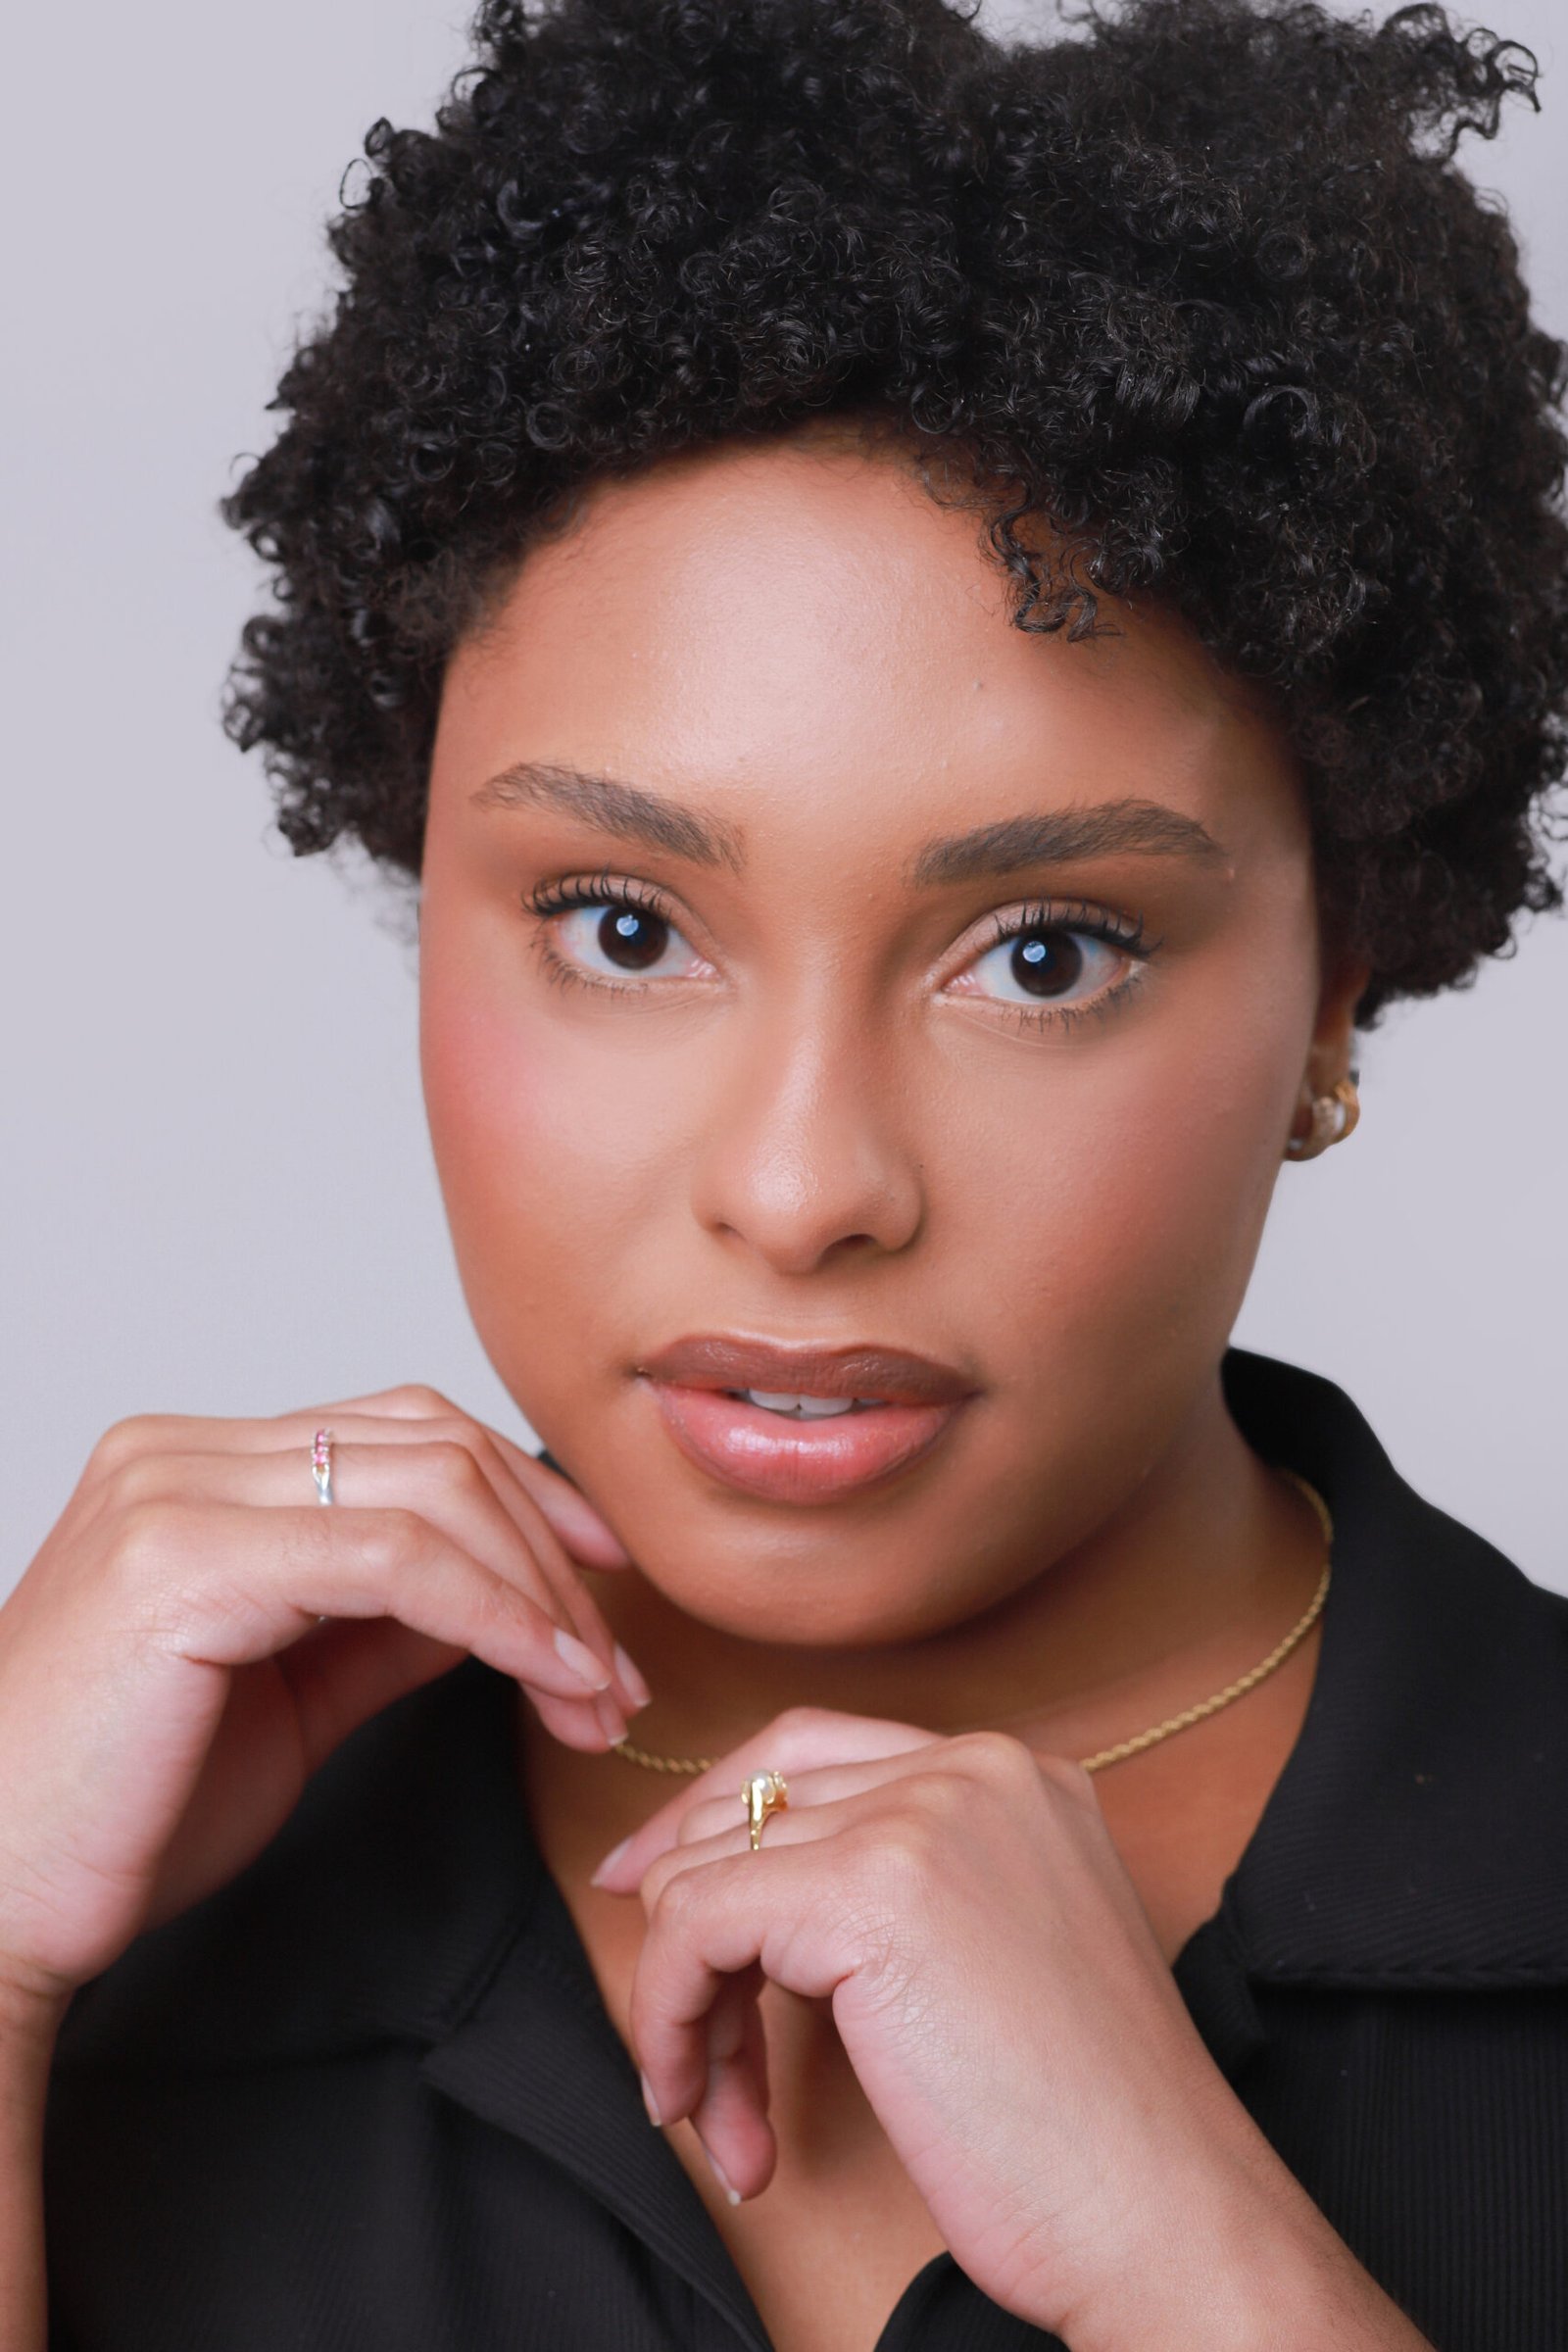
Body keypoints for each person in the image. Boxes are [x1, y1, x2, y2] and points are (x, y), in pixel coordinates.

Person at [3, 0, 1565, 2345]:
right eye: (624, 930)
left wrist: (1201, 2265)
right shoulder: (106, 1913)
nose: (803, 1185)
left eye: (1041, 953)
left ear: (1333, 989)